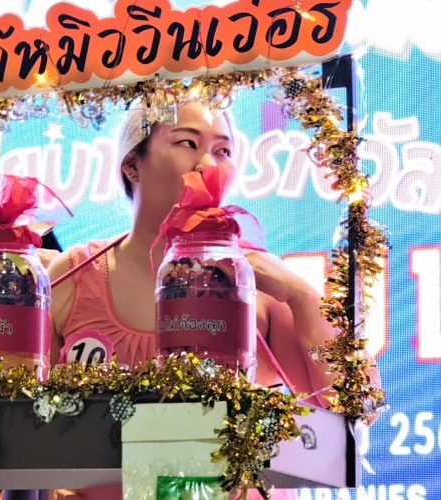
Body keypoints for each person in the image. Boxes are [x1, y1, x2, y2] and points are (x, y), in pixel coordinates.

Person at [46, 101, 338, 498]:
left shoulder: (258, 281)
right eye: (188, 143)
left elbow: (346, 411)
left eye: (223, 150)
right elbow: (23, 429)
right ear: (131, 165)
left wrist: (302, 297)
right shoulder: (73, 276)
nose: (208, 165)